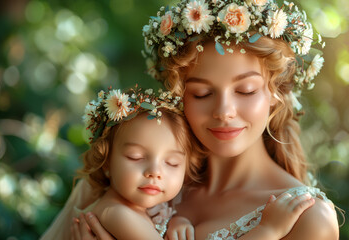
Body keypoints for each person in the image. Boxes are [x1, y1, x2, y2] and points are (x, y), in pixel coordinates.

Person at [56, 0, 341, 239]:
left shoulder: (307, 218)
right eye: (202, 93)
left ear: (276, 92)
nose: (224, 111)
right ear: (179, 96)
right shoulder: (135, 176)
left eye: (246, 90)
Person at [41, 86, 316, 240]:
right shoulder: (117, 214)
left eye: (172, 163)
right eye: (136, 158)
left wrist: (176, 219)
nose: (154, 172)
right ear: (106, 162)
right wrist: (268, 231)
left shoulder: (147, 206)